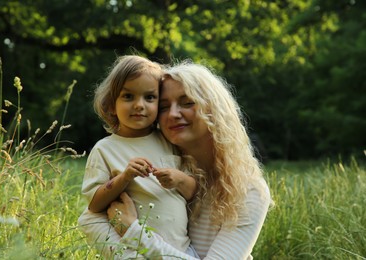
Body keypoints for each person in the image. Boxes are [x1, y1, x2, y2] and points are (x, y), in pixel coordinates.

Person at [106, 61, 272, 259]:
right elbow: (92, 221)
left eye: (187, 103)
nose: (174, 114)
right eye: (164, 107)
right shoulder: (151, 173)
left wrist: (134, 233)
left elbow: (125, 229)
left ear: (214, 110)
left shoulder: (247, 190)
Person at [78, 55, 198, 258]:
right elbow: (94, 205)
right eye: (128, 96)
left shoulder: (169, 140)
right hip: (135, 249)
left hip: (181, 249)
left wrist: (179, 179)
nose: (139, 105)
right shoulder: (105, 149)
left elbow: (193, 192)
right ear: (110, 105)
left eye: (149, 97)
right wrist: (124, 178)